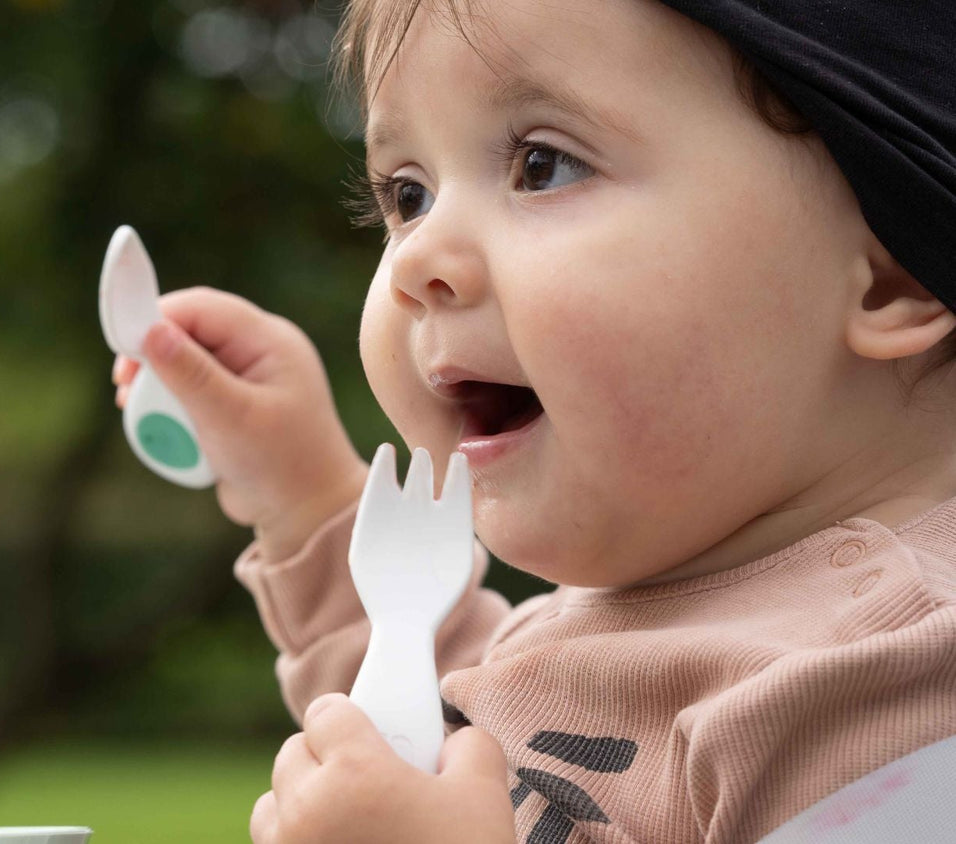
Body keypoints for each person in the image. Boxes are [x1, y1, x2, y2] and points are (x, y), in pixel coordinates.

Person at [110, 0, 956, 839]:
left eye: (542, 165)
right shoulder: (639, 609)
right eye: (406, 195)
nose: (417, 260)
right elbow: (428, 711)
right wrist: (298, 490)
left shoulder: (890, 691)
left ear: (892, 275)